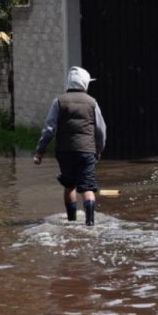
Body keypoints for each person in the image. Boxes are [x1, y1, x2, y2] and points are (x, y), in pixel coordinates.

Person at [34, 66, 107, 226]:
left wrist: (40, 151)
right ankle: (90, 223)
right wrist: (99, 149)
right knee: (88, 188)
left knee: (69, 186)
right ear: (85, 83)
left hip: (65, 152)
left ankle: (71, 221)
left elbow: (49, 128)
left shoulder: (58, 101)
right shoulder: (92, 103)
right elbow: (101, 129)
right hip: (87, 151)